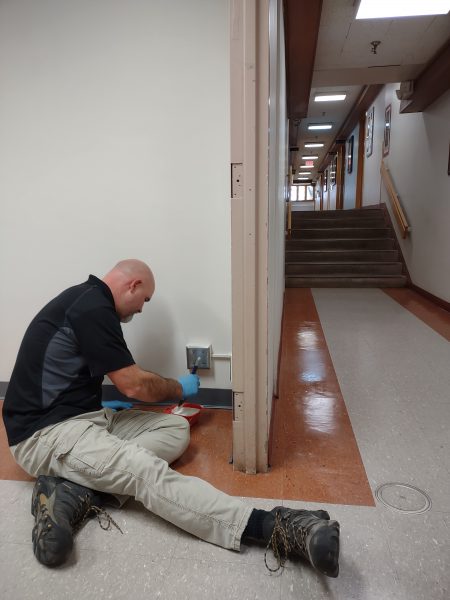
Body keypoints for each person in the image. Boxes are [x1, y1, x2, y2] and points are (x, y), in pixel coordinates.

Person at [2, 259, 340, 575]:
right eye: (144, 299)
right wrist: (178, 388)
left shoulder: (87, 301)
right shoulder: (92, 308)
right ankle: (273, 527)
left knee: (174, 427)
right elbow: (134, 385)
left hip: (82, 418)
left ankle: (74, 491)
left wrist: (97, 410)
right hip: (44, 434)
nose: (141, 308)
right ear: (133, 285)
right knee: (143, 471)